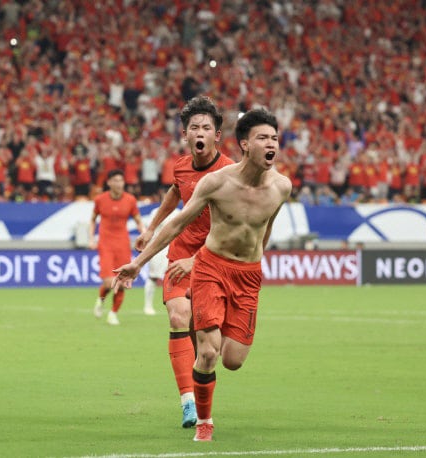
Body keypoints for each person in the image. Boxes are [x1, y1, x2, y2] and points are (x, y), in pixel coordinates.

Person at [114, 108, 292, 441]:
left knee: (233, 360)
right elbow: (178, 222)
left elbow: (264, 228)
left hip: (248, 275)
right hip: (210, 266)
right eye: (263, 138)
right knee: (206, 349)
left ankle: (203, 346)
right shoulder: (218, 182)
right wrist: (139, 262)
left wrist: (257, 260)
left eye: (274, 138)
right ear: (245, 144)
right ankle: (202, 420)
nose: (271, 144)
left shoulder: (282, 187)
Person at [133, 95, 234, 429]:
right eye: (194, 127)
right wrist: (151, 228)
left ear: (217, 135)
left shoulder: (230, 173)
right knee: (178, 316)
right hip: (180, 254)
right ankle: (188, 402)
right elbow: (175, 193)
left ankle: (200, 383)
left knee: (212, 348)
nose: (199, 132)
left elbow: (231, 227)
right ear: (186, 134)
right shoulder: (180, 166)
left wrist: (199, 259)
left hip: (216, 259)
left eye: (206, 127)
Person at [89, 169, 145, 325]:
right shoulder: (100, 200)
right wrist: (91, 238)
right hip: (105, 244)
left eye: (121, 180)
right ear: (109, 183)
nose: (119, 183)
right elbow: (92, 219)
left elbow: (138, 220)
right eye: (115, 180)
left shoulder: (130, 200)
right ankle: (101, 300)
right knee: (108, 282)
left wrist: (144, 234)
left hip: (122, 244)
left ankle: (113, 313)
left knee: (122, 282)